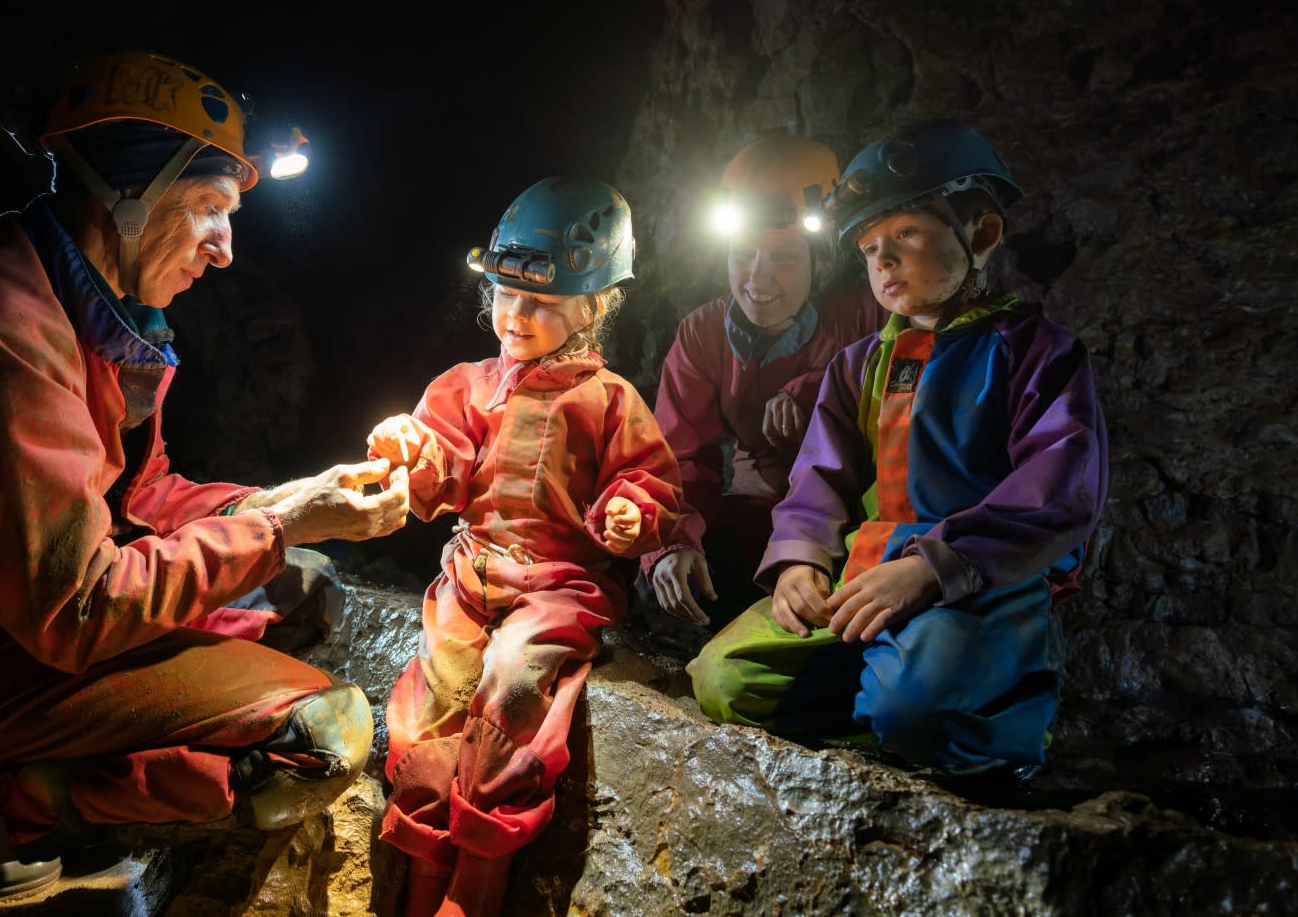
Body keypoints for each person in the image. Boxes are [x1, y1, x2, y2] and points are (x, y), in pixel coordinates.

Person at [0, 50, 410, 914]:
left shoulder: (89, 308)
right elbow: (80, 611)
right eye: (209, 209)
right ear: (129, 202)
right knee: (315, 736)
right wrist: (278, 526)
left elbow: (139, 499)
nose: (224, 250)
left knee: (297, 591)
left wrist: (283, 506)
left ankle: (20, 782)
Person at [688, 120, 1108, 779]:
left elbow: (1057, 491)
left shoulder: (1036, 352)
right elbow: (817, 481)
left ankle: (983, 728)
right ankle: (881, 709)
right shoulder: (859, 364)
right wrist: (800, 562)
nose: (881, 260)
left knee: (918, 716)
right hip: (863, 575)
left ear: (981, 234)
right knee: (725, 679)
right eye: (867, 247)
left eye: (905, 237)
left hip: (976, 582)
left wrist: (932, 567)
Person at [366, 177, 682, 917]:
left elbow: (649, 480)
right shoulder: (465, 386)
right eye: (506, 296)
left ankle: (476, 887)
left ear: (593, 306)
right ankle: (420, 875)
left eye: (540, 302)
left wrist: (630, 514)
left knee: (511, 680)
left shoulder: (608, 400)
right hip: (472, 569)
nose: (516, 314)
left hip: (558, 584)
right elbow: (438, 475)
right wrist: (409, 450)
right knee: (439, 687)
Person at [641, 134, 883, 642]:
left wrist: (817, 388)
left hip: (852, 522)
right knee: (657, 574)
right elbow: (678, 456)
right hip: (758, 518)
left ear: (820, 263)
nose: (757, 277)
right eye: (743, 253)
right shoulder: (704, 333)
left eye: (784, 258)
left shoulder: (866, 314)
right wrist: (674, 542)